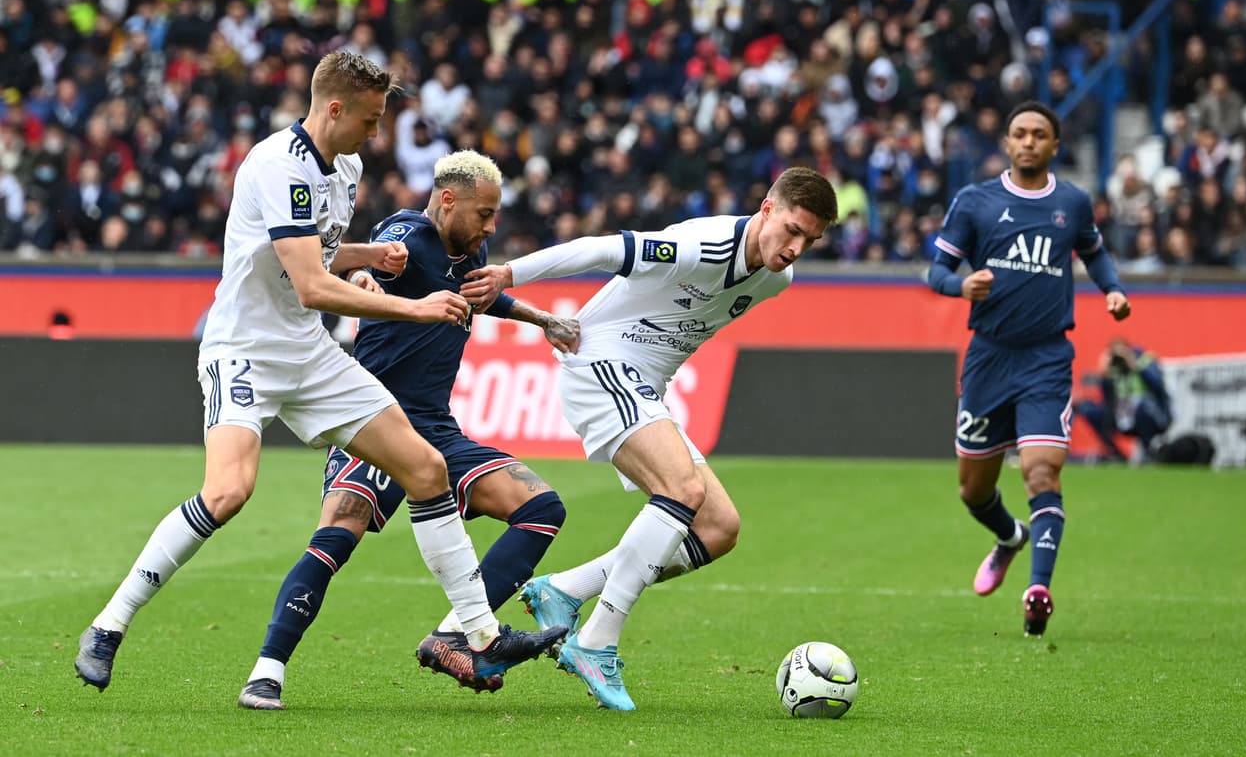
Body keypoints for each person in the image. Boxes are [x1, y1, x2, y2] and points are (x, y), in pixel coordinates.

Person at [75, 52, 565, 695]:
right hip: (244, 348)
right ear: (335, 108)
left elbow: (320, 252)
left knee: (426, 469)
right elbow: (310, 284)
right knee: (228, 493)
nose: (376, 132)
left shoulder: (348, 166)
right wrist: (411, 304)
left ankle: (477, 634)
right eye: (370, 118)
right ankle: (110, 624)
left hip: (307, 354)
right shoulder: (278, 166)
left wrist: (369, 254)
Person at [461, 166, 838, 710]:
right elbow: (600, 248)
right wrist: (509, 275)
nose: (796, 247)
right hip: (601, 363)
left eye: (811, 240)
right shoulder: (700, 245)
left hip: (644, 388)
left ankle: (567, 589)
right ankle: (596, 641)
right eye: (793, 230)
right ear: (767, 209)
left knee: (718, 526)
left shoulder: (776, 280)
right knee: (682, 490)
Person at [238, 150, 581, 710]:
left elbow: (481, 293)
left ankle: (456, 638)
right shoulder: (408, 231)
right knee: (337, 535)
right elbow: (370, 264)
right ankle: (266, 672)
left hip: (437, 428)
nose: (492, 225)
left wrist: (543, 320)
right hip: (374, 417)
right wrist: (365, 276)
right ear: (448, 201)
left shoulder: (472, 250)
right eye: (485, 213)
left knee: (542, 508)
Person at [927, 100, 1131, 637]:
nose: (1029, 142)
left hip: (1046, 358)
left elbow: (1095, 251)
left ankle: (1038, 590)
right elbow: (936, 271)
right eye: (1019, 133)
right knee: (973, 491)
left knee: (1042, 471)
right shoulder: (975, 202)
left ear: (1054, 146)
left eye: (1040, 135)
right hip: (989, 358)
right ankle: (1010, 537)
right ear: (1008, 142)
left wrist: (1111, 289)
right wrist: (961, 286)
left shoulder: (1072, 202)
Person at [1075, 338, 1172, 463]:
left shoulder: (1144, 361)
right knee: (1089, 410)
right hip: (1124, 414)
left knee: (1142, 408)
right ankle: (1115, 454)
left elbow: (1159, 388)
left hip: (1152, 413)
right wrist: (1105, 375)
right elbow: (1107, 400)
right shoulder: (1114, 369)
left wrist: (1134, 365)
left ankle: (1148, 452)